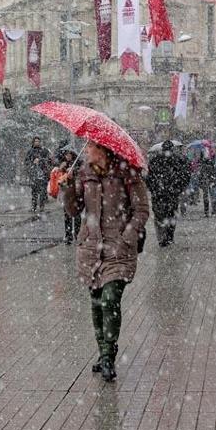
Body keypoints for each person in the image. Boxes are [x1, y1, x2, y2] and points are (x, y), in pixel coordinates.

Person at [60, 141, 149, 382]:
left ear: (103, 150)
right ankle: (103, 351)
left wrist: (126, 237)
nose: (86, 150)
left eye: (90, 147)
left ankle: (108, 354)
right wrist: (68, 188)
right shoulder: (84, 174)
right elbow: (73, 210)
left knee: (110, 299)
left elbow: (142, 210)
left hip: (118, 249)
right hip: (91, 247)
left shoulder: (127, 173)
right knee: (96, 301)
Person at [146, 141, 191, 246]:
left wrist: (153, 189)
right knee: (171, 216)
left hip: (159, 195)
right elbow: (185, 176)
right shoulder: (178, 160)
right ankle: (169, 237)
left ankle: (162, 238)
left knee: (159, 216)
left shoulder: (155, 160)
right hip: (172, 194)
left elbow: (149, 178)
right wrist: (178, 188)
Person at [52, 149, 82, 244]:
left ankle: (77, 234)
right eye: (66, 155)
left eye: (69, 155)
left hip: (75, 193)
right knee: (67, 215)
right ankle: (68, 235)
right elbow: (59, 180)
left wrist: (74, 172)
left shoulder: (78, 163)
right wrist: (61, 170)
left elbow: (81, 177)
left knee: (76, 214)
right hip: (66, 193)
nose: (68, 156)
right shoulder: (63, 165)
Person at [24, 136, 52, 212]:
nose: (37, 143)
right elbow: (26, 162)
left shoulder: (44, 150)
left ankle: (42, 206)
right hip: (34, 174)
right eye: (35, 141)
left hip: (43, 174)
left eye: (38, 141)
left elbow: (49, 160)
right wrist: (32, 163)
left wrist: (41, 160)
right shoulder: (30, 151)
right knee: (34, 191)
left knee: (43, 191)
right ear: (33, 142)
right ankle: (34, 206)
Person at [196, 151, 216, 217]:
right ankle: (213, 212)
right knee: (212, 197)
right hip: (211, 182)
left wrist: (200, 183)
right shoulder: (211, 164)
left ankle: (207, 212)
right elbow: (215, 174)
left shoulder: (203, 166)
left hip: (206, 182)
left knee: (206, 198)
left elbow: (200, 176)